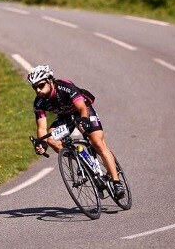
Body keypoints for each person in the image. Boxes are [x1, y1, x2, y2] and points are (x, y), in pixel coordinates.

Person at [27, 64, 125, 199]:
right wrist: (41, 143)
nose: (38, 90)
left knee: (97, 142)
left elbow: (82, 108)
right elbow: (42, 128)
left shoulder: (65, 86)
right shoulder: (39, 102)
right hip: (65, 118)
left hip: (83, 111)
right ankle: (83, 160)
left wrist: (84, 121)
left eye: (41, 85)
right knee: (51, 140)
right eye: (34, 88)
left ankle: (116, 182)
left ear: (50, 81)